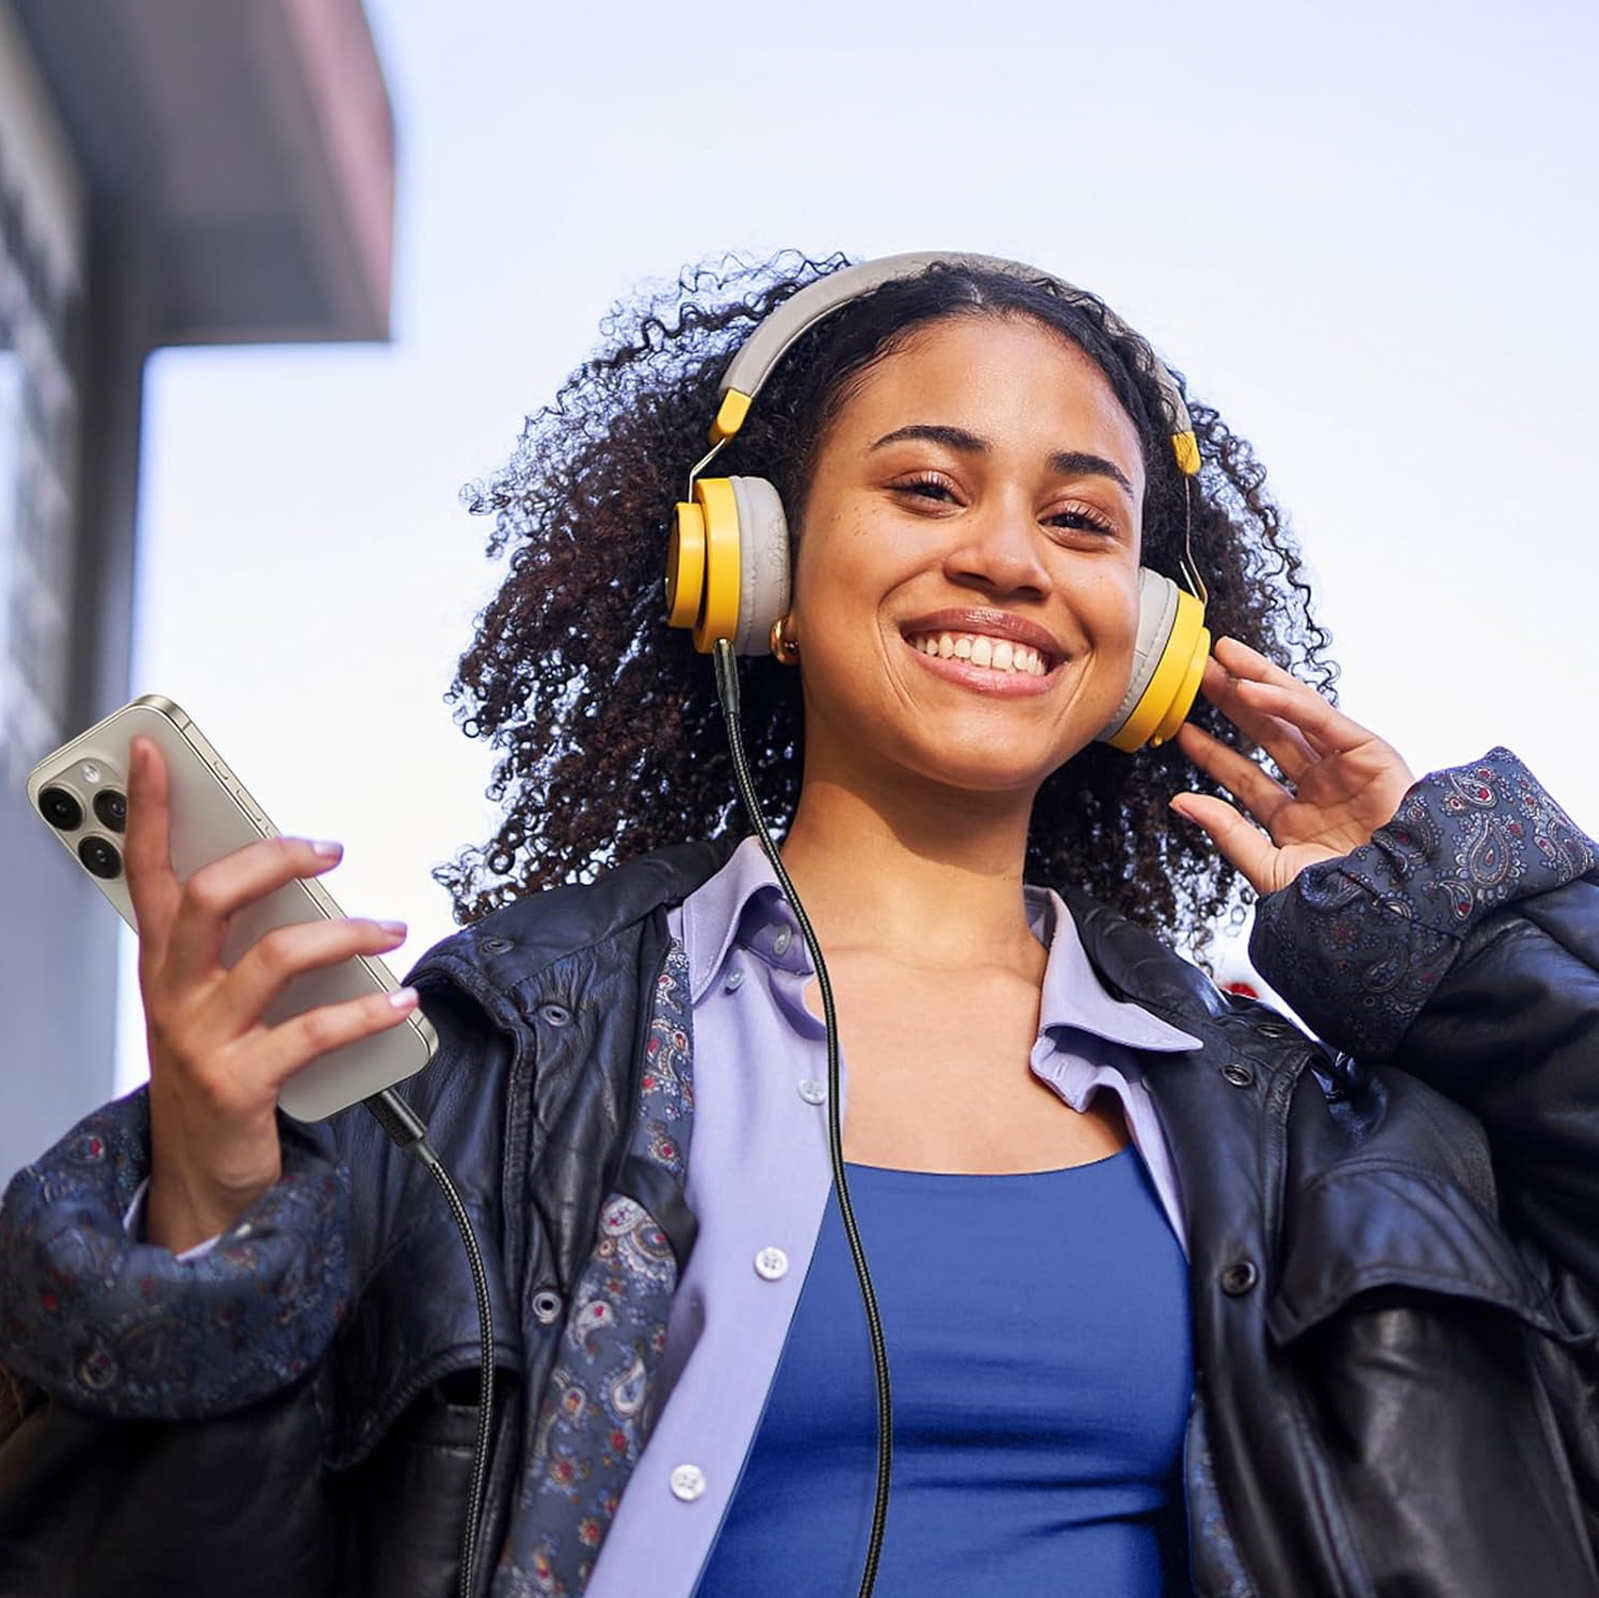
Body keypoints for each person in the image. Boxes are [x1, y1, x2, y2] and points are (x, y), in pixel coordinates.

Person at [2, 249, 1597, 1598]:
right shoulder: (490, 1073)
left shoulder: (1299, 1135)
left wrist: (1455, 932)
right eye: (925, 487)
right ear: (750, 563)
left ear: (1150, 639)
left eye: (1081, 522)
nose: (1003, 559)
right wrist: (212, 1215)